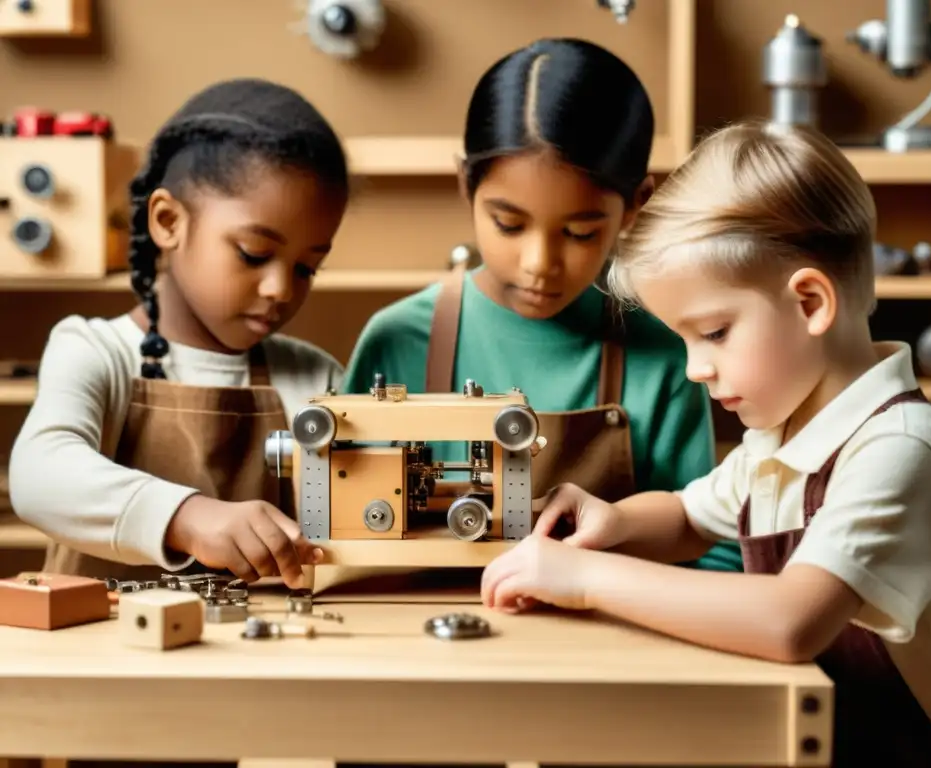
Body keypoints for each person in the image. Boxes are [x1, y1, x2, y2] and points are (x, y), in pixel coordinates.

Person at [480, 120, 931, 768]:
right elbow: (686, 517)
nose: (693, 368)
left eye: (714, 333)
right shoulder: (779, 437)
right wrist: (610, 520)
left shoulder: (897, 449)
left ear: (811, 302)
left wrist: (586, 576)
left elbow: (789, 621)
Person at [342, 37, 741, 572]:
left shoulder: (668, 352)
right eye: (509, 224)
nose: (539, 263)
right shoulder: (397, 340)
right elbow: (344, 538)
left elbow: (711, 551)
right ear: (465, 186)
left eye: (578, 232)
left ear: (635, 206)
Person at [9, 78, 349, 591]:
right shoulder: (94, 350)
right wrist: (187, 518)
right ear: (169, 221)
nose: (280, 288)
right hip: (103, 661)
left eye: (306, 268)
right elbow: (39, 476)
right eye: (254, 254)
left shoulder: (314, 376)